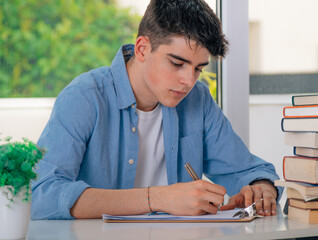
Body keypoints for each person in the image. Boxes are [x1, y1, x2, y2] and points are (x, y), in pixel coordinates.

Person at [31, 0, 282, 220]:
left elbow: (245, 169)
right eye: (177, 63)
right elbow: (42, 194)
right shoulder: (84, 98)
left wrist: (261, 187)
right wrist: (157, 198)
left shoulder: (197, 99)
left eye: (198, 68)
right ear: (142, 48)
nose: (188, 80)